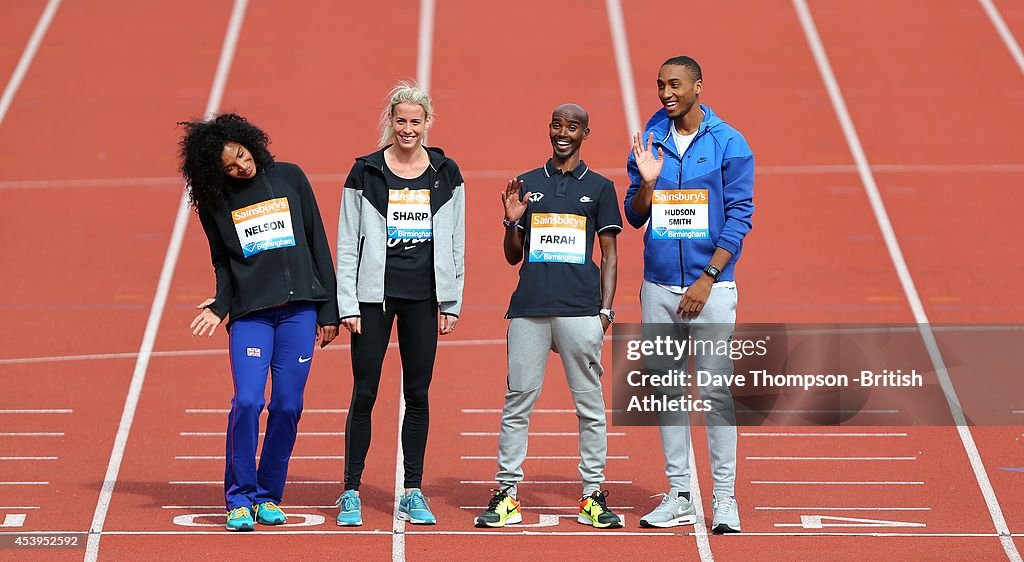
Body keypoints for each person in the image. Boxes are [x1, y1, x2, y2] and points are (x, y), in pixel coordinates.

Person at [179, 113, 340, 532]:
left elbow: (317, 241)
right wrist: (219, 305)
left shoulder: (291, 178)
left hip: (300, 310)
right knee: (248, 401)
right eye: (229, 167)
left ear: (248, 142)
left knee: (288, 405)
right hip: (251, 314)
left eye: (241, 155)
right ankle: (239, 498)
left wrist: (328, 309)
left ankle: (268, 496)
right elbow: (222, 262)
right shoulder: (216, 203)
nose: (240, 167)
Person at [473, 104, 623, 529]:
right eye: (557, 125)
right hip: (529, 311)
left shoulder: (600, 188)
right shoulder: (527, 184)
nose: (563, 132)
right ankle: (506, 495)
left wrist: (605, 312)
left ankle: (592, 496)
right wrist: (510, 220)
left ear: (585, 134)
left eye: (572, 127)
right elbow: (512, 256)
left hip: (581, 313)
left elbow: (610, 255)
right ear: (549, 129)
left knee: (590, 407)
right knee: (517, 403)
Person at [624, 56, 754, 533]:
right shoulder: (650, 138)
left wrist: (708, 277)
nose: (665, 93)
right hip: (658, 287)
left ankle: (724, 498)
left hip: (713, 288)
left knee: (717, 394)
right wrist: (650, 182)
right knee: (668, 394)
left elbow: (740, 216)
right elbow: (635, 214)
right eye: (660, 85)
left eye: (674, 84)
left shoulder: (730, 143)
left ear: (698, 86)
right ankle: (679, 492)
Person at [334, 82, 465, 527]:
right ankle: (351, 490)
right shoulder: (365, 172)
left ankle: (413, 490)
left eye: (415, 121)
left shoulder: (446, 172)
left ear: (427, 124)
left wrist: (452, 300)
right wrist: (346, 303)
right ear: (390, 122)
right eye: (400, 120)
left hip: (423, 298)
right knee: (365, 392)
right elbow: (348, 243)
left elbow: (456, 240)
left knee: (418, 394)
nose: (408, 129)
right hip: (373, 300)